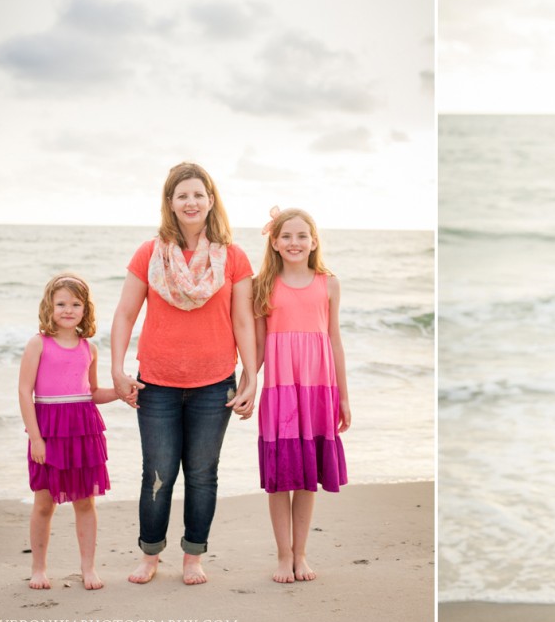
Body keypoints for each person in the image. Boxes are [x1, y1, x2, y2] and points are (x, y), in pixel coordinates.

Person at [110, 162, 257, 586]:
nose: (191, 202)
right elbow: (124, 314)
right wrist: (118, 370)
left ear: (211, 200)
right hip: (156, 383)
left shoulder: (234, 257)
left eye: (198, 194)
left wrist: (251, 376)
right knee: (156, 473)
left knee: (202, 474)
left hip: (215, 384)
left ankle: (193, 556)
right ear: (170, 204)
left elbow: (244, 321)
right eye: (182, 196)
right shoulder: (149, 254)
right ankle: (150, 554)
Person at [249, 206, 350, 583]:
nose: (294, 242)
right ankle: (282, 555)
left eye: (301, 236)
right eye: (286, 236)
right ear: (274, 242)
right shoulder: (262, 285)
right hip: (280, 390)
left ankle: (301, 555)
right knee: (280, 476)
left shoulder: (329, 283)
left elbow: (335, 341)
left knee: (308, 476)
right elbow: (258, 346)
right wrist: (247, 384)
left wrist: (343, 395)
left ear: (314, 241)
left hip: (318, 390)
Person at [18, 273, 115, 591]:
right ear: (49, 306)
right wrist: (35, 437)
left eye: (76, 304)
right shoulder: (38, 343)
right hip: (49, 430)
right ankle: (39, 569)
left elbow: (93, 392)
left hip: (83, 430)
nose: (68, 309)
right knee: (44, 503)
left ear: (86, 309)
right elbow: (24, 391)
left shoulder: (90, 348)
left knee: (85, 502)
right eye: (61, 303)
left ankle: (88, 568)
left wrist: (123, 392)